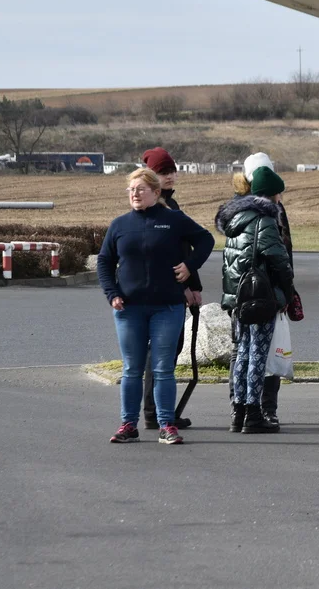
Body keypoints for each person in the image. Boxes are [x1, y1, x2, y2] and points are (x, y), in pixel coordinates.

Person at [98, 168, 214, 445]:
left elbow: (206, 240)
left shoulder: (173, 220)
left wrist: (190, 266)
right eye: (131, 190)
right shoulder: (120, 225)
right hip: (129, 309)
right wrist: (111, 293)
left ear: (155, 192)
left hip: (167, 308)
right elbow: (104, 261)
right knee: (131, 369)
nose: (135, 194)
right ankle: (128, 424)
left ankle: (166, 425)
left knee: (163, 369)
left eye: (141, 189)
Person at [217, 166, 294, 434]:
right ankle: (253, 413)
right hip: (261, 297)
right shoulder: (265, 221)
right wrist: (288, 290)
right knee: (257, 354)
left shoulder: (235, 220)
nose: (280, 198)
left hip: (238, 299)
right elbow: (279, 260)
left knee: (242, 355)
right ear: (271, 195)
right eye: (279, 193)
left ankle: (237, 413)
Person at [140, 147, 202, 431]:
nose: (170, 176)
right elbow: (175, 252)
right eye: (164, 172)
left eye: (172, 171)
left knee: (166, 351)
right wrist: (188, 286)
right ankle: (155, 412)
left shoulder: (169, 206)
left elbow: (186, 248)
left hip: (172, 287)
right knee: (162, 352)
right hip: (165, 290)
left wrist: (193, 284)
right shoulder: (159, 208)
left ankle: (157, 410)